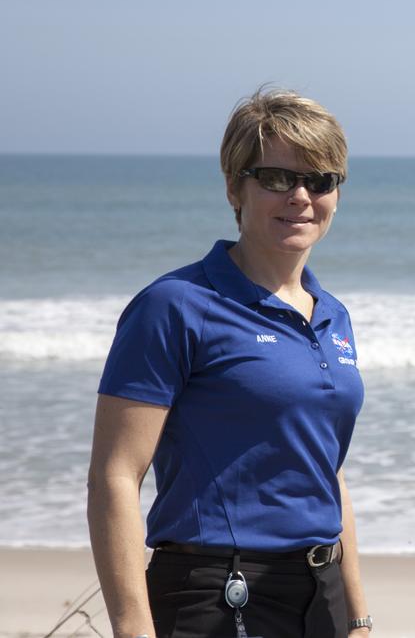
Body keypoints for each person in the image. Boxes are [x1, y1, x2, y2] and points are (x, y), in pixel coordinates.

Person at [87, 88, 372, 638]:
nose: (300, 197)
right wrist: (132, 627)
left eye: (320, 180)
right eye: (276, 178)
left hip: (322, 594)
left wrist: (357, 616)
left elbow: (327, 469)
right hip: (215, 593)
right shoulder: (174, 305)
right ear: (233, 186)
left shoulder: (333, 314)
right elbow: (115, 476)